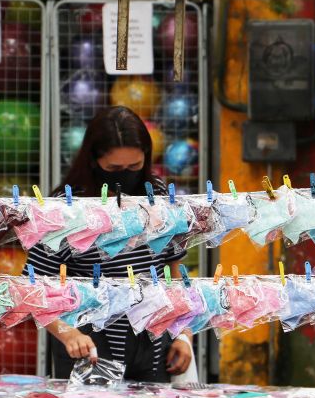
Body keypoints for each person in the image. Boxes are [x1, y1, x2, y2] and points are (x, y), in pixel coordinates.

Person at [26, 106, 192, 381]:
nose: (125, 175)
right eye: (114, 169)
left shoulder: (158, 195)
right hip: (87, 340)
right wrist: (68, 334)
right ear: (93, 160)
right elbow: (33, 286)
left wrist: (183, 333)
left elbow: (174, 272)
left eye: (134, 167)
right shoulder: (66, 207)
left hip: (151, 337)